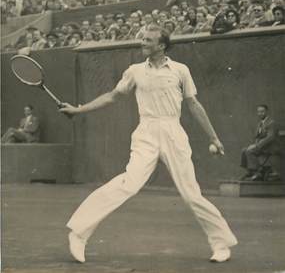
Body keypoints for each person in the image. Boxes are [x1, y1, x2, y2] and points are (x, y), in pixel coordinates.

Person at [60, 25, 237, 264]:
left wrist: (214, 137)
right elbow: (113, 96)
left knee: (191, 194)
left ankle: (221, 243)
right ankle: (79, 233)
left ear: (162, 45)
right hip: (146, 132)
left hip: (173, 132)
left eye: (148, 40)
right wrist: (79, 110)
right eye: (142, 38)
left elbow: (193, 105)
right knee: (128, 184)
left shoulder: (180, 70)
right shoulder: (134, 71)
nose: (142, 42)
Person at [240, 105, 280, 181]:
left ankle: (257, 172)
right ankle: (250, 171)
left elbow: (270, 138)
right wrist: (253, 145)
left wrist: (257, 146)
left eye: (262, 111)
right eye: (259, 112)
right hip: (262, 146)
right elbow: (257, 137)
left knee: (249, 151)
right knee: (244, 150)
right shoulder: (260, 124)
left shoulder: (271, 123)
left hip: (270, 147)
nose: (260, 113)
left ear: (267, 112)